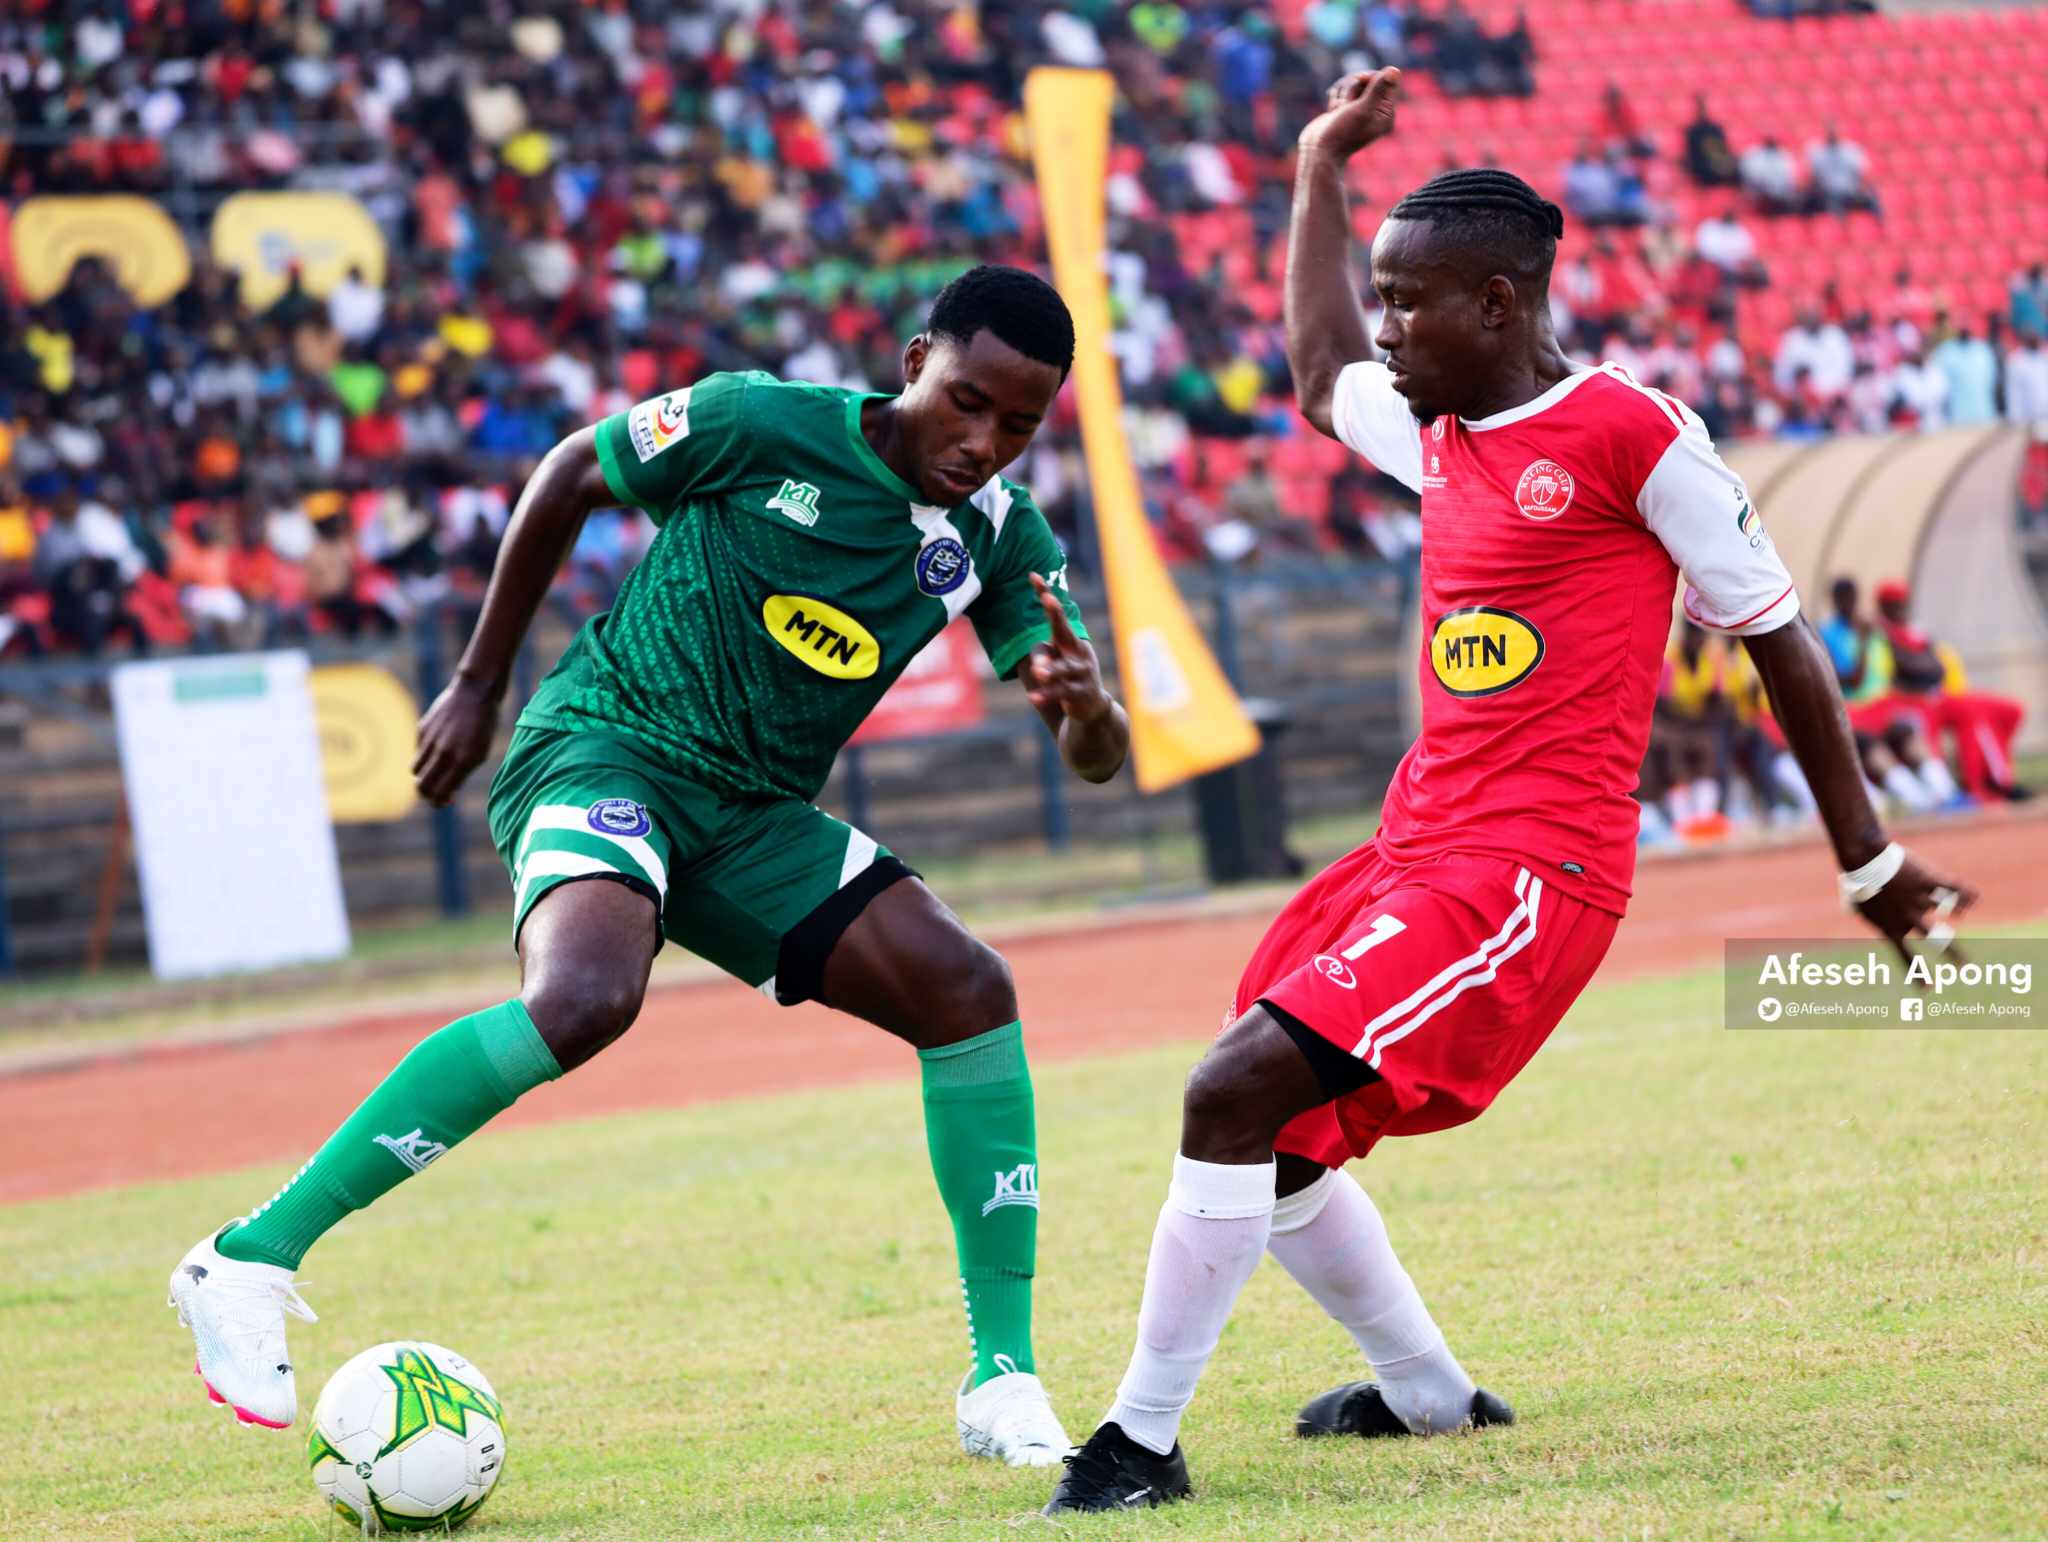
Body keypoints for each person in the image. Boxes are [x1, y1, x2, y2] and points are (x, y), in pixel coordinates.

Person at [1044, 70, 1976, 1513]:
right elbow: (1311, 369)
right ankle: (1429, 1396)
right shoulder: (1441, 435)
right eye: (1382, 300)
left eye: (1409, 304)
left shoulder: (1634, 435)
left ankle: (1139, 1440)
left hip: (1527, 878)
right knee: (1272, 1126)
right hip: (1411, 853)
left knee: (1230, 1089)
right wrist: (1313, 167)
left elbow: (1778, 632)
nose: (1388, 330)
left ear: (1499, 303)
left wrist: (1868, 865)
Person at [170, 266, 1131, 1469]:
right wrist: (477, 680)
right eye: (966, 401)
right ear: (913, 363)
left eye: (1018, 425)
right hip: (604, 748)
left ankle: (1001, 1383)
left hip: (749, 816)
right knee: (583, 1000)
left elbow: (1097, 759)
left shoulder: (1000, 539)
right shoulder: (755, 421)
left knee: (968, 991)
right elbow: (573, 468)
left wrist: (1083, 707)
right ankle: (248, 1258)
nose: (981, 443)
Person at [1682, 95, 1739, 188]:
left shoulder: (1715, 129)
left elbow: (1723, 153)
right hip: (1702, 173)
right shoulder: (1693, 131)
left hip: (1717, 171)